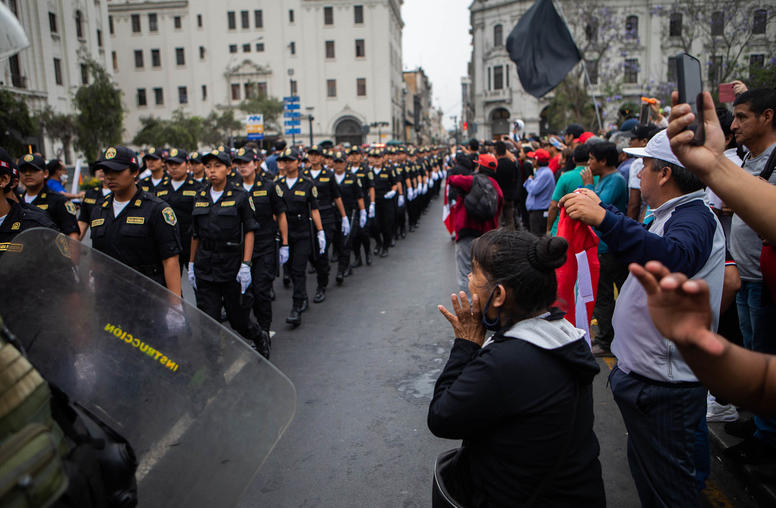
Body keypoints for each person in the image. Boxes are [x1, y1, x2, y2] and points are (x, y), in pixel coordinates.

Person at [560, 129, 725, 507]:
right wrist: (605, 209)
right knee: (657, 484)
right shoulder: (672, 214)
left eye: (644, 165)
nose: (639, 173)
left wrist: (604, 218)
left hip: (665, 391)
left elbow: (672, 258)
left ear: (664, 174)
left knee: (670, 494)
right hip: (651, 383)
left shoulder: (694, 217)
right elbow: (646, 242)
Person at [429, 230, 605, 507]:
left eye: (474, 274)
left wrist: (465, 344)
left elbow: (442, 416)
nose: (469, 280)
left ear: (498, 295)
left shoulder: (507, 361)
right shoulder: (565, 333)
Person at [188, 148, 269, 356]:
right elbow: (195, 234)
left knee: (238, 320)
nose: (212, 171)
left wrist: (246, 264)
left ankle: (258, 335)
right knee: (209, 320)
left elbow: (250, 230)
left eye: (217, 166)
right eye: (208, 167)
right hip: (206, 264)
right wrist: (191, 264)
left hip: (231, 264)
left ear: (228, 169)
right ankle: (215, 368)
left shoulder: (240, 196)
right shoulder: (199, 195)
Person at [89, 146, 182, 295]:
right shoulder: (100, 208)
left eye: (117, 171)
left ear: (135, 172)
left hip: (147, 294)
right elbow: (98, 254)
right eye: (106, 171)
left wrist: (175, 306)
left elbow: (170, 260)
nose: (110, 177)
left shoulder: (156, 209)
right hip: (109, 295)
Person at [579, 142, 629, 356]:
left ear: (603, 161)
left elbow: (598, 206)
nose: (588, 163)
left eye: (591, 159)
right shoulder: (604, 179)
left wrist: (589, 186)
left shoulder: (615, 180)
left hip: (610, 248)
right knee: (603, 295)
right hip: (601, 247)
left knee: (606, 296)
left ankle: (606, 340)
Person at [233, 146, 288, 336]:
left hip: (264, 246)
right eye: (239, 163)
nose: (243, 167)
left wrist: (285, 244)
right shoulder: (233, 188)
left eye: (246, 163)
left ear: (256, 164)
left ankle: (264, 330)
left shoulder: (269, 186)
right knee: (243, 294)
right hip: (239, 248)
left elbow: (280, 215)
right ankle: (249, 330)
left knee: (261, 291)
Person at [275, 147, 325, 327]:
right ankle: (303, 296)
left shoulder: (307, 183)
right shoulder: (277, 184)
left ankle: (296, 307)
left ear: (298, 162)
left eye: (290, 160)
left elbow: (314, 209)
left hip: (303, 232)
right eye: (284, 160)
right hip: (285, 235)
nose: (287, 164)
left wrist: (320, 231)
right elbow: (276, 213)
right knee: (289, 270)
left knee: (298, 269)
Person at [447, 154, 503, 295]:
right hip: (486, 235)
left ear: (479, 166)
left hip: (467, 231)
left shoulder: (471, 181)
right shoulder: (497, 188)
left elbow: (452, 179)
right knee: (485, 272)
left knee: (465, 272)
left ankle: (471, 309)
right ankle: (486, 305)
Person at [303, 145, 350, 303]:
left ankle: (321, 286)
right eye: (311, 154)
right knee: (311, 253)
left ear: (322, 157)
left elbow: (337, 197)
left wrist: (344, 217)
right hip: (308, 219)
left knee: (322, 252)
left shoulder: (328, 175)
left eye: (317, 155)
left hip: (326, 216)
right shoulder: (304, 175)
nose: (314, 157)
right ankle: (322, 269)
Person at [0, 148, 57, 257]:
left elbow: (63, 272)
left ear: (3, 180)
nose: (28, 174)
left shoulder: (36, 227)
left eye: (33, 170)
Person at [154, 148, 202, 275]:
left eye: (178, 164)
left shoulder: (198, 188)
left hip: (190, 243)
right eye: (170, 164)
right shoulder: (160, 188)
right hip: (168, 244)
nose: (173, 168)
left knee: (199, 284)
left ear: (187, 165)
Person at [17, 154, 80, 240]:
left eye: (34, 170)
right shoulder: (16, 201)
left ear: (45, 173)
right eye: (23, 171)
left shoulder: (59, 200)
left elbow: (73, 235)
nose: (28, 174)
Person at [332, 150, 366, 284]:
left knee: (345, 242)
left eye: (341, 162)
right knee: (336, 242)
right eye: (336, 162)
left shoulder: (352, 177)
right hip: (333, 213)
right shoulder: (329, 177)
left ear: (345, 163)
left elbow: (359, 196)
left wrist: (363, 212)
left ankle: (342, 269)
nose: (338, 165)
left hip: (350, 212)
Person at [546, 145, 592, 236]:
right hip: (590, 230)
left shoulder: (565, 176)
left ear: (574, 159)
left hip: (563, 229)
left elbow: (554, 205)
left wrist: (548, 228)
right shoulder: (597, 175)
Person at [369, 149, 400, 258]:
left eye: (378, 158)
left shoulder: (388, 170)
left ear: (382, 159)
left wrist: (393, 191)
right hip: (374, 201)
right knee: (374, 225)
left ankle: (385, 247)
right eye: (375, 158)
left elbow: (394, 183)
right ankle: (378, 242)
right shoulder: (369, 172)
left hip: (386, 200)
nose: (376, 160)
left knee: (387, 225)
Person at [348, 147, 375, 267]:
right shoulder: (347, 170)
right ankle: (357, 257)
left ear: (361, 156)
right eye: (352, 154)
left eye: (356, 154)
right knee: (354, 234)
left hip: (364, 203)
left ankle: (367, 253)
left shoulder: (366, 170)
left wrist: (372, 203)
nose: (354, 157)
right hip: (351, 204)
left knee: (364, 232)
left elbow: (371, 187)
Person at [523, 148, 554, 235]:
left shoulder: (545, 173)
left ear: (536, 161)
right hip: (537, 212)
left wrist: (529, 180)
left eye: (533, 159)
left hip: (540, 212)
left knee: (538, 238)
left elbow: (533, 189)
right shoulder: (540, 172)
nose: (531, 161)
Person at [78, 167, 111, 240]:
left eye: (107, 167)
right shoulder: (91, 193)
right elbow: (83, 222)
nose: (101, 170)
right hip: (98, 248)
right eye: (98, 167)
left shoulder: (125, 193)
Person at [494, 141, 516, 230]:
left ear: (496, 151)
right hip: (510, 195)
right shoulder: (512, 163)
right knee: (510, 220)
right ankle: (511, 239)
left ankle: (498, 241)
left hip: (499, 196)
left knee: (498, 221)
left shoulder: (496, 165)